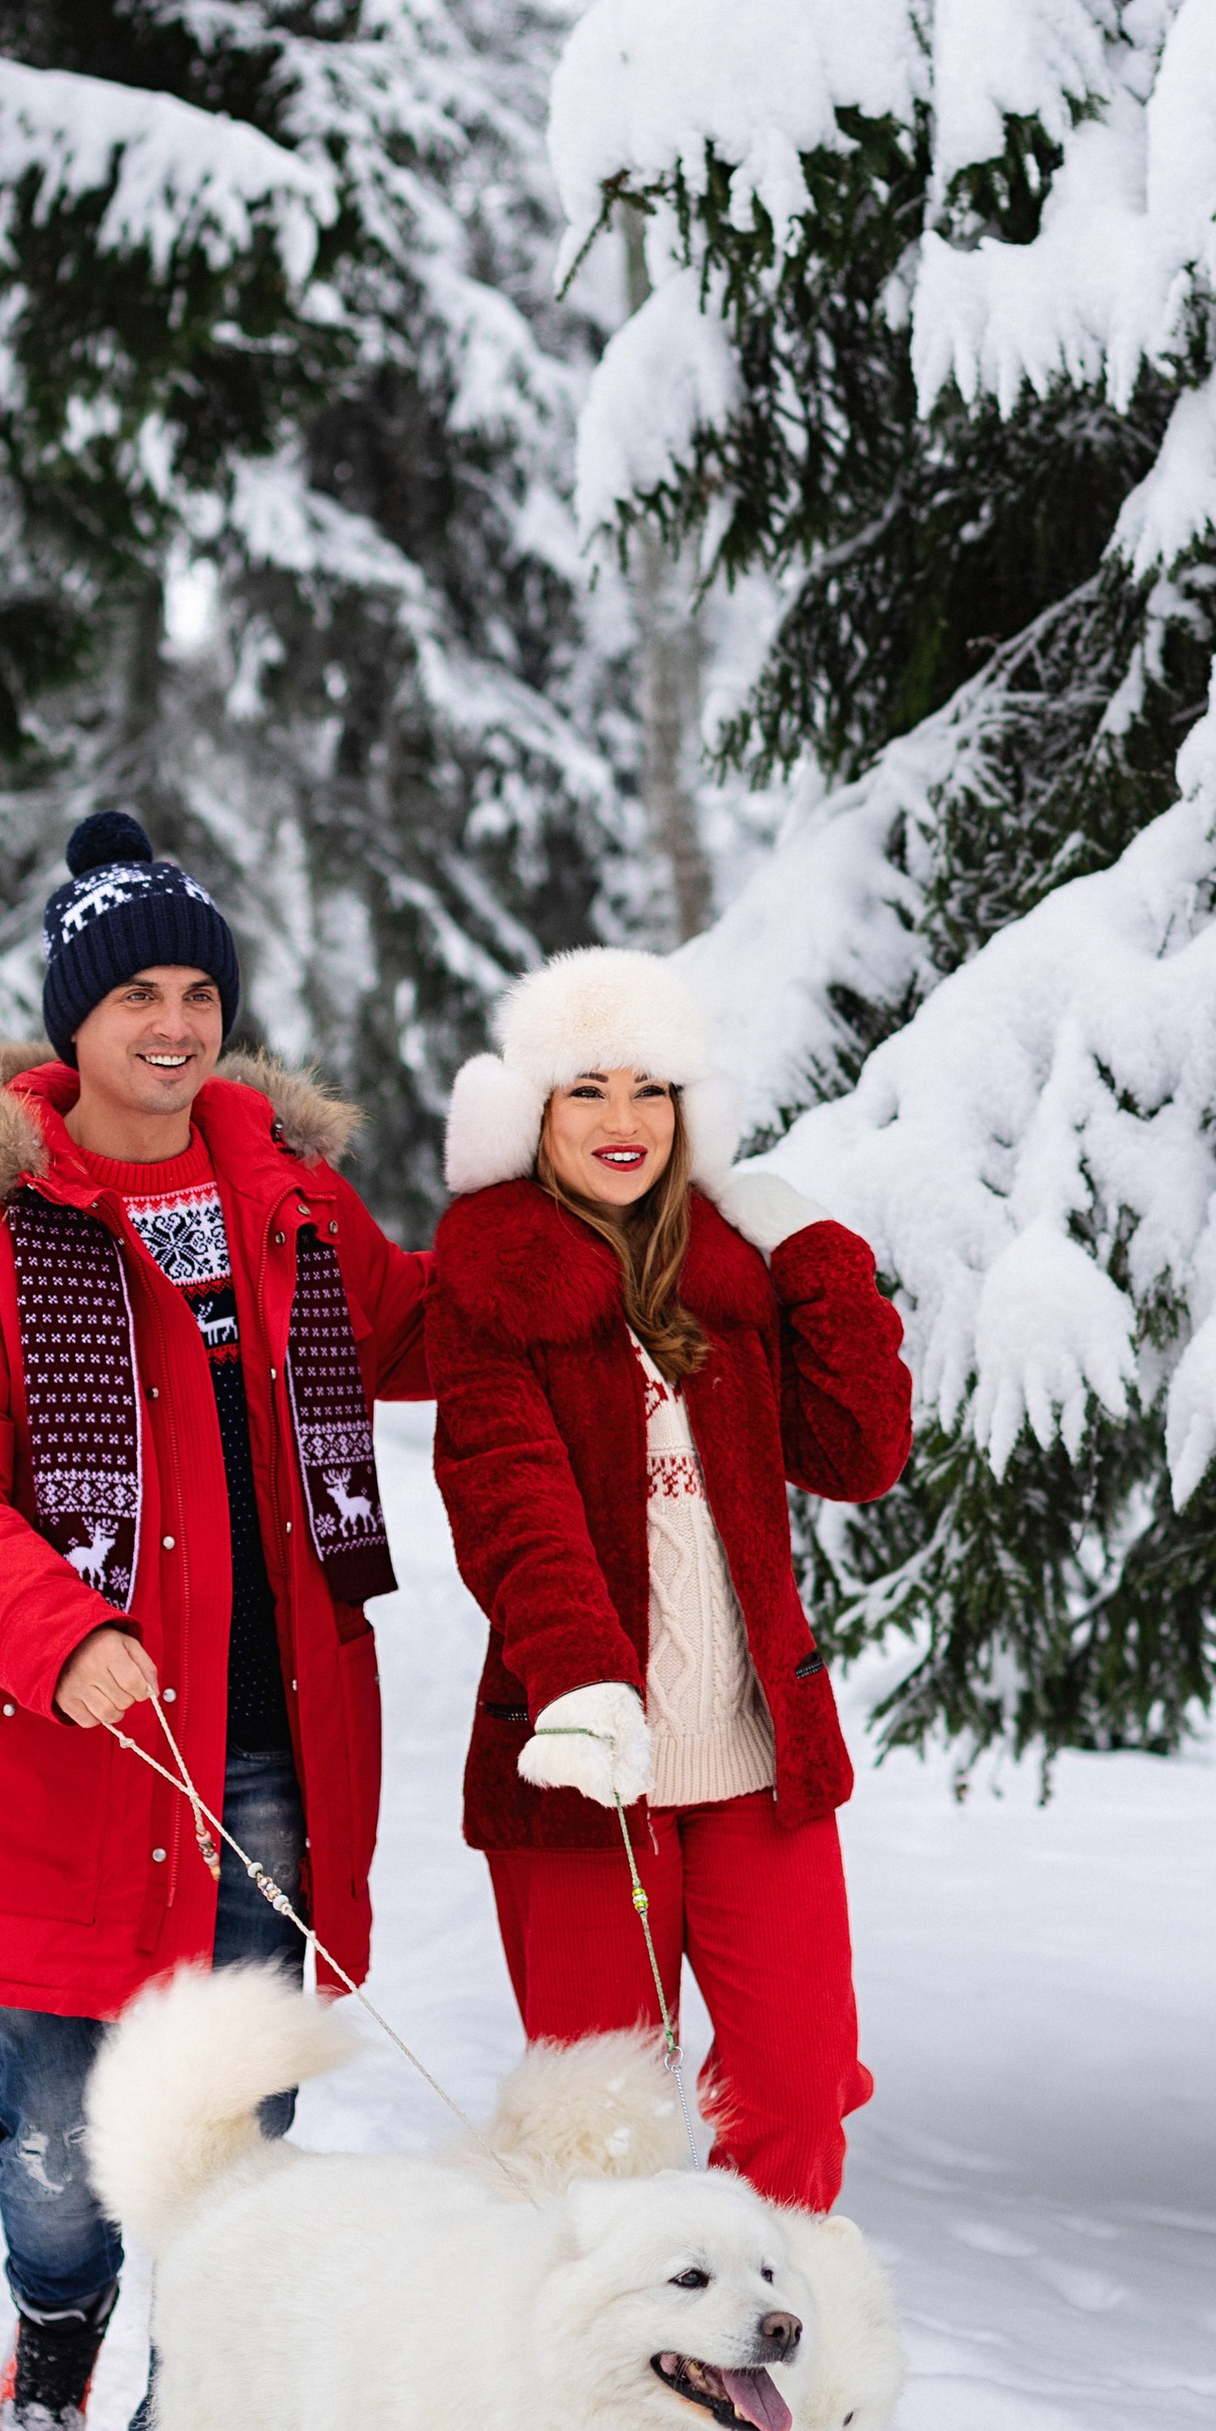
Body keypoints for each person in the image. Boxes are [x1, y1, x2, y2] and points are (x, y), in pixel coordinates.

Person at [0, 811, 429, 2431]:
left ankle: (205, 2430)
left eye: (198, 993)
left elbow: (424, 1327)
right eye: (136, 996)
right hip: (62, 1753)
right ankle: (57, 2318)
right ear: (73, 1020)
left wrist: (595, 1217)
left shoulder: (291, 1202)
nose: (173, 1026)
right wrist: (65, 1629)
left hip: (270, 1746)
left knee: (239, 2125)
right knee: (59, 2142)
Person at [429, 946, 912, 2214]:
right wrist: (582, 1682)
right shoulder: (494, 1290)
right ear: (532, 1114)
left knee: (797, 2094)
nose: (624, 1118)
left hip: (760, 1764)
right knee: (604, 2137)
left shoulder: (732, 1280)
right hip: (587, 1764)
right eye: (588, 1088)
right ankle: (604, 2340)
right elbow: (509, 1501)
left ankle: (764, 2331)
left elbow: (859, 1451)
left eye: (652, 1088)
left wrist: (812, 1250)